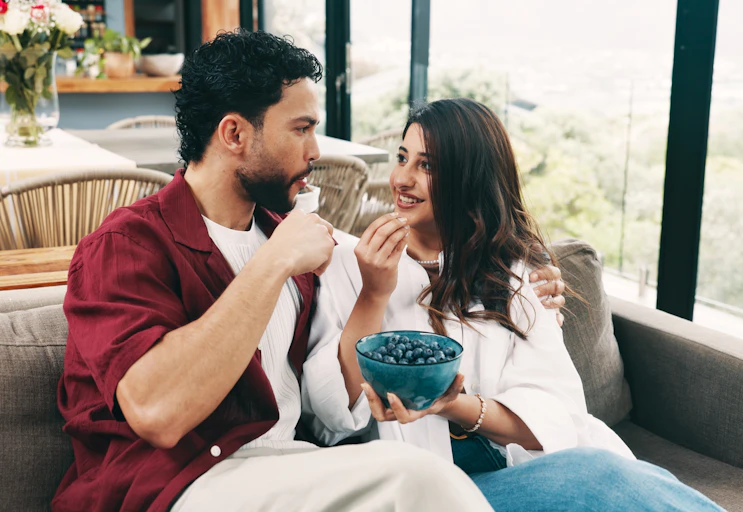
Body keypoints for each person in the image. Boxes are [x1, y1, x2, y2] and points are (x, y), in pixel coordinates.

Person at [52, 30, 496, 512]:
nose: (316, 151)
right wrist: (274, 263)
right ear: (234, 134)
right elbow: (156, 412)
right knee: (416, 478)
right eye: (301, 129)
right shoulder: (127, 246)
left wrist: (523, 275)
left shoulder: (286, 237)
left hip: (289, 469)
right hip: (174, 487)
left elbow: (396, 266)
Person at [303, 98, 725, 511]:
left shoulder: (517, 272)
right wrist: (374, 293)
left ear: (469, 179)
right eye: (402, 157)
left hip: (513, 467)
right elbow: (330, 415)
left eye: (427, 165)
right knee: (602, 477)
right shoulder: (348, 262)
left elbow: (556, 413)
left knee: (629, 477)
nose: (402, 179)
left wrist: (452, 405)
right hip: (427, 490)